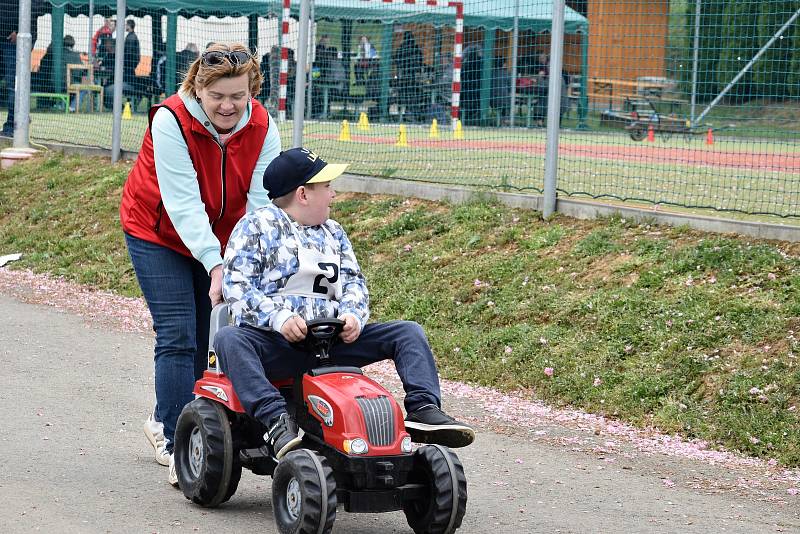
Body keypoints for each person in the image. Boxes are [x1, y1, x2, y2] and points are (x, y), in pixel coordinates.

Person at [214, 147, 476, 460]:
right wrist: (280, 319)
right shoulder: (255, 227)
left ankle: (423, 409)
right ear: (303, 194)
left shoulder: (334, 232)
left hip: (330, 342)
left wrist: (353, 315)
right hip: (277, 345)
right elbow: (237, 288)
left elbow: (353, 282)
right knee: (228, 338)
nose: (333, 194)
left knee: (407, 332)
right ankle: (275, 420)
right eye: (326, 187)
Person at [119, 42, 281, 487]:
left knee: (213, 336)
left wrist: (237, 262)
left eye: (238, 96)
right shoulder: (171, 120)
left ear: (251, 90)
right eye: (218, 97)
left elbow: (261, 202)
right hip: (159, 232)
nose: (228, 106)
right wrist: (214, 264)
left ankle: (166, 415)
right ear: (198, 86)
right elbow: (183, 204)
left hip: (225, 235)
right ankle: (175, 442)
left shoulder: (264, 125)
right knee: (178, 333)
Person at [0, 0, 48, 136]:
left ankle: (13, 126)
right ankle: (20, 118)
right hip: (4, 37)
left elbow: (39, 7)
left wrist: (19, 29)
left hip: (16, 41)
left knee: (13, 83)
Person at [392, 31, 424, 122]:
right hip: (412, 78)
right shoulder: (415, 48)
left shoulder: (402, 47)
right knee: (413, 97)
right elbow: (420, 61)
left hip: (403, 77)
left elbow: (396, 59)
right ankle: (412, 115)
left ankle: (403, 115)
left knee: (403, 96)